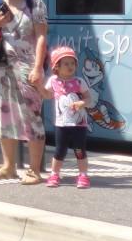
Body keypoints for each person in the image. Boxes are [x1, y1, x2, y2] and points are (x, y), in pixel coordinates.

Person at [0, 0, 49, 184]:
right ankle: (9, 166)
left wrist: (39, 67)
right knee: (3, 118)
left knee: (33, 118)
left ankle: (34, 170)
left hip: (27, 69)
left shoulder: (34, 2)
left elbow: (41, 36)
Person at [39, 45, 94, 188]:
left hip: (79, 124)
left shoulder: (79, 82)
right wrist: (38, 86)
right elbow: (47, 95)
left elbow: (89, 99)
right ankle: (54, 174)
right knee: (60, 150)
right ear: (57, 66)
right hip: (61, 124)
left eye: (72, 63)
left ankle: (83, 175)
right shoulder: (53, 81)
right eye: (66, 64)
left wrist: (81, 103)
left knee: (79, 150)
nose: (70, 66)